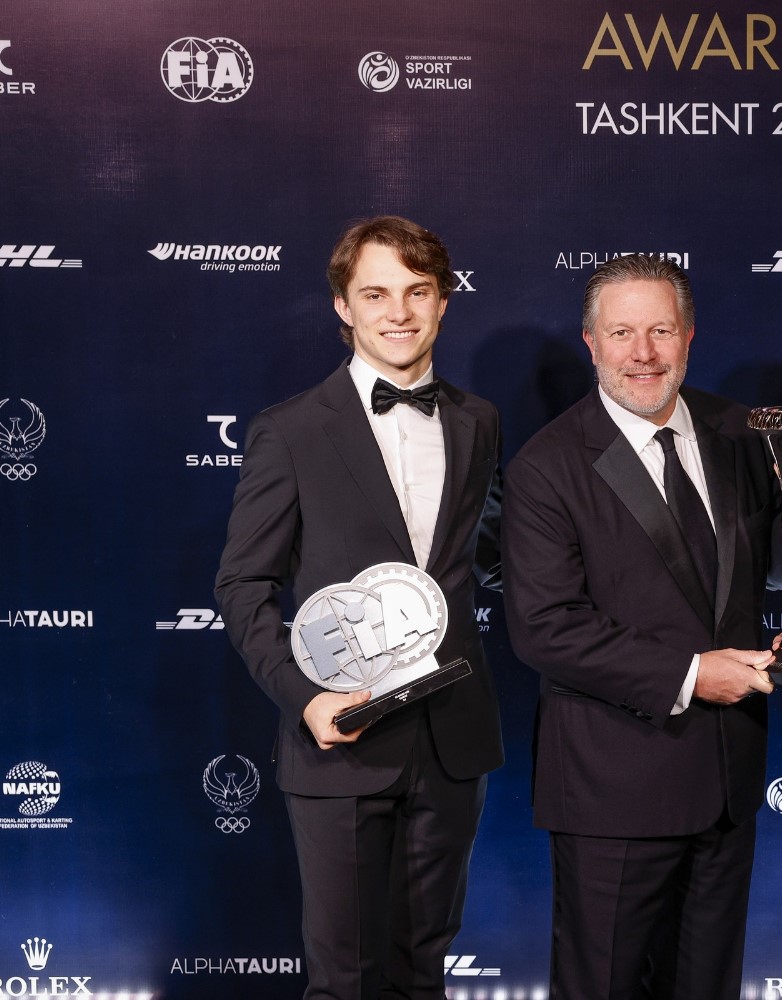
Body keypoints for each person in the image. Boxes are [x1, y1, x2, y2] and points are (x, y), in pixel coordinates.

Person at [215, 215, 505, 1000]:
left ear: (445, 301)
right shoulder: (290, 431)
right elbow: (242, 586)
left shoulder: (480, 422)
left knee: (422, 973)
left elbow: (493, 558)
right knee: (345, 980)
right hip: (341, 742)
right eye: (375, 293)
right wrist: (306, 699)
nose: (399, 312)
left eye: (417, 291)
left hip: (452, 740)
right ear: (343, 307)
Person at [500, 254, 778, 1000]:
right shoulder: (547, 466)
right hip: (612, 791)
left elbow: (781, 565)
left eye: (660, 330)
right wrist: (691, 675)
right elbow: (545, 628)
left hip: (728, 783)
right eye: (622, 332)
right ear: (590, 342)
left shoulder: (744, 433)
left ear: (689, 336)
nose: (644, 353)